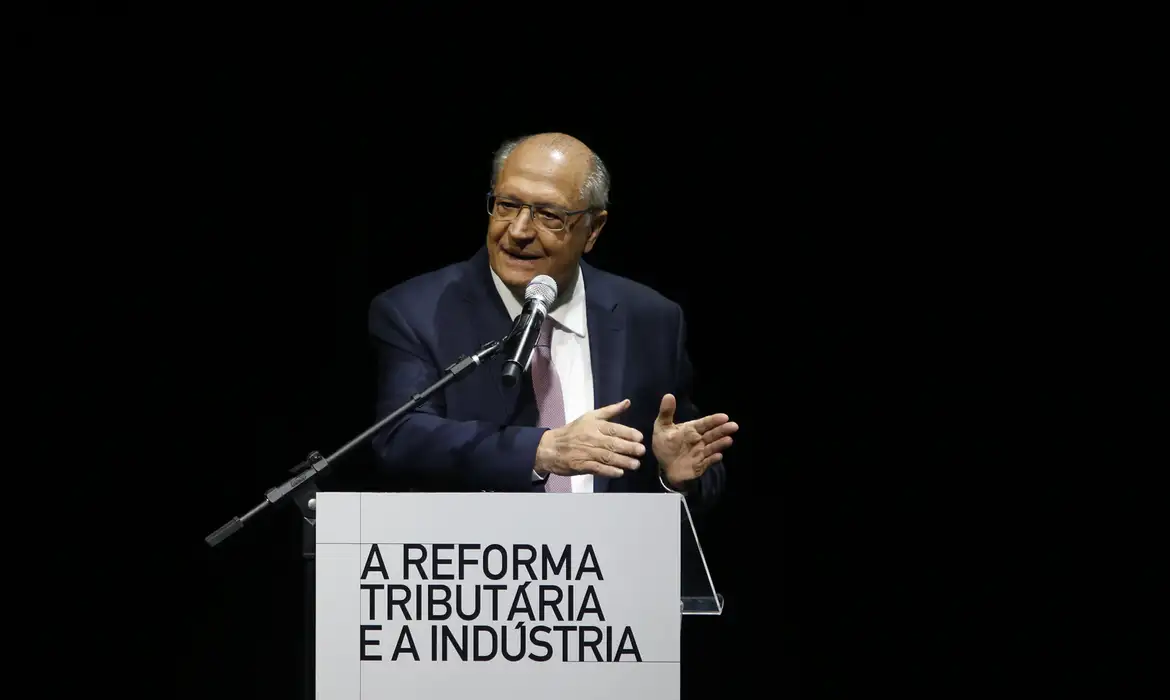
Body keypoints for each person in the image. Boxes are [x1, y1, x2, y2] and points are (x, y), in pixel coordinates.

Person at [368, 133, 737, 508]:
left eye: (549, 215)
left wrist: (674, 475)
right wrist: (542, 450)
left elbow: (691, 459)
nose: (519, 231)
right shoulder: (415, 311)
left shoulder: (651, 320)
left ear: (593, 230)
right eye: (507, 205)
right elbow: (400, 435)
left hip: (611, 547)